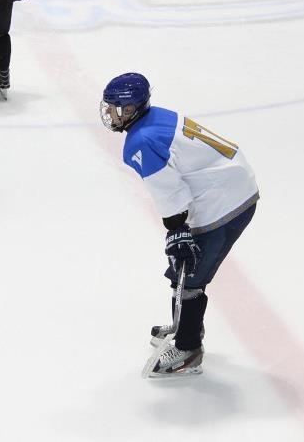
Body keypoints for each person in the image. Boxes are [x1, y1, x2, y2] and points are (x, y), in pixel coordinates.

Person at [100, 73, 259, 376]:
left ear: (130, 109)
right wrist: (178, 230)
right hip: (226, 183)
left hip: (224, 200)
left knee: (190, 274)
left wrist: (177, 228)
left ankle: (188, 348)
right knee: (182, 268)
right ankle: (185, 324)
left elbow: (168, 190)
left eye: (114, 107)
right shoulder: (154, 117)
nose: (108, 112)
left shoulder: (141, 140)